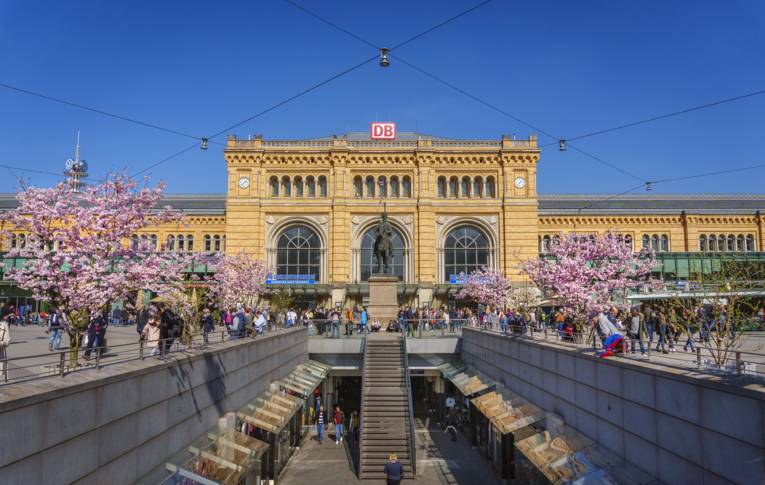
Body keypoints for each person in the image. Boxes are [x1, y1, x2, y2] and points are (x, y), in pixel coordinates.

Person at [0, 306, 12, 381]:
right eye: (7, 315)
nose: (8, 316)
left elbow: (7, 341)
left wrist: (1, 343)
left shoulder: (4, 325)